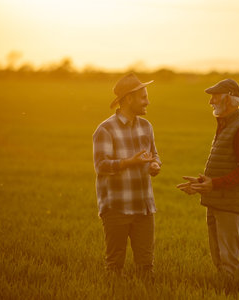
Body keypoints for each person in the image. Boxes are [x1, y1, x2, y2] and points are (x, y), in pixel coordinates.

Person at [177, 79, 239, 282]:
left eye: (214, 96)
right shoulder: (226, 124)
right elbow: (227, 165)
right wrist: (202, 182)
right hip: (216, 200)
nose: (210, 101)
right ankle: (224, 289)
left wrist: (214, 184)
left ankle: (235, 291)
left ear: (229, 98)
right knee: (219, 258)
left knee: (229, 260)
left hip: (229, 203)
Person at [93, 73, 161, 277]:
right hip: (116, 208)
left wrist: (155, 165)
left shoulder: (146, 127)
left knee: (146, 268)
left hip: (144, 207)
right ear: (129, 99)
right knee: (114, 266)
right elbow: (101, 166)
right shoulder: (105, 130)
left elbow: (154, 155)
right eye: (143, 97)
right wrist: (130, 162)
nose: (147, 101)